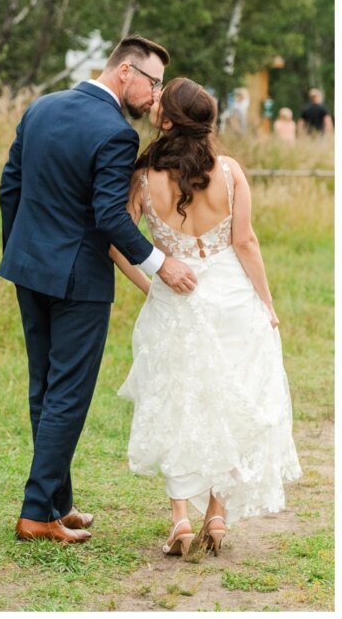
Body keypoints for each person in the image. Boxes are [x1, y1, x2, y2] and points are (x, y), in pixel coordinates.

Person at [0, 34, 198, 544]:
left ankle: (56, 503)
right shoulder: (115, 132)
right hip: (78, 281)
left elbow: (10, 186)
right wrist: (160, 265)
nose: (155, 97)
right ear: (125, 72)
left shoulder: (41, 107)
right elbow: (108, 215)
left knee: (44, 387)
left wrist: (21, 251)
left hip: (28, 268)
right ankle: (35, 513)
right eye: (152, 84)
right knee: (68, 394)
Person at [113, 77, 301, 560]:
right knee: (228, 402)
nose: (153, 106)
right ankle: (216, 514)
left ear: (169, 120)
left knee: (179, 402)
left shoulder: (142, 176)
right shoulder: (231, 171)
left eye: (161, 102)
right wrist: (268, 303)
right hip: (232, 299)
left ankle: (180, 519)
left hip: (175, 299)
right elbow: (246, 243)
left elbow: (116, 241)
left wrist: (152, 285)